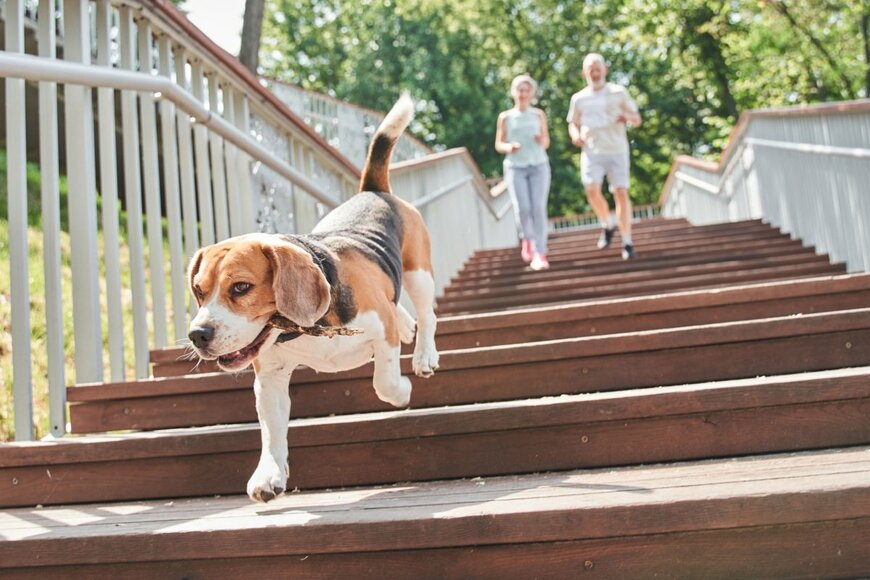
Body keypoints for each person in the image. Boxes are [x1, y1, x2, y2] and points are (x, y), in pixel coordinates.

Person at [567, 53, 641, 259]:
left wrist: (626, 117)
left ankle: (627, 242)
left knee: (620, 192)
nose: (594, 70)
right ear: (585, 72)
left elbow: (637, 119)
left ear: (605, 69)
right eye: (590, 67)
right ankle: (607, 225)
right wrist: (575, 135)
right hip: (592, 151)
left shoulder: (619, 92)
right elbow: (573, 123)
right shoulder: (579, 98)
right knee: (591, 189)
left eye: (597, 66)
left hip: (617, 149)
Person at [495, 74, 552, 271]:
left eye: (527, 90)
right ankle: (526, 238)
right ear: (514, 92)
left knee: (538, 208)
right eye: (520, 89)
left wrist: (540, 140)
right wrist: (509, 147)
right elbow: (498, 144)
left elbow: (547, 142)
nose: (523, 93)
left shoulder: (538, 115)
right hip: (515, 167)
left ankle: (540, 251)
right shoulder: (505, 117)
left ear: (532, 93)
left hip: (538, 165)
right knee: (523, 208)